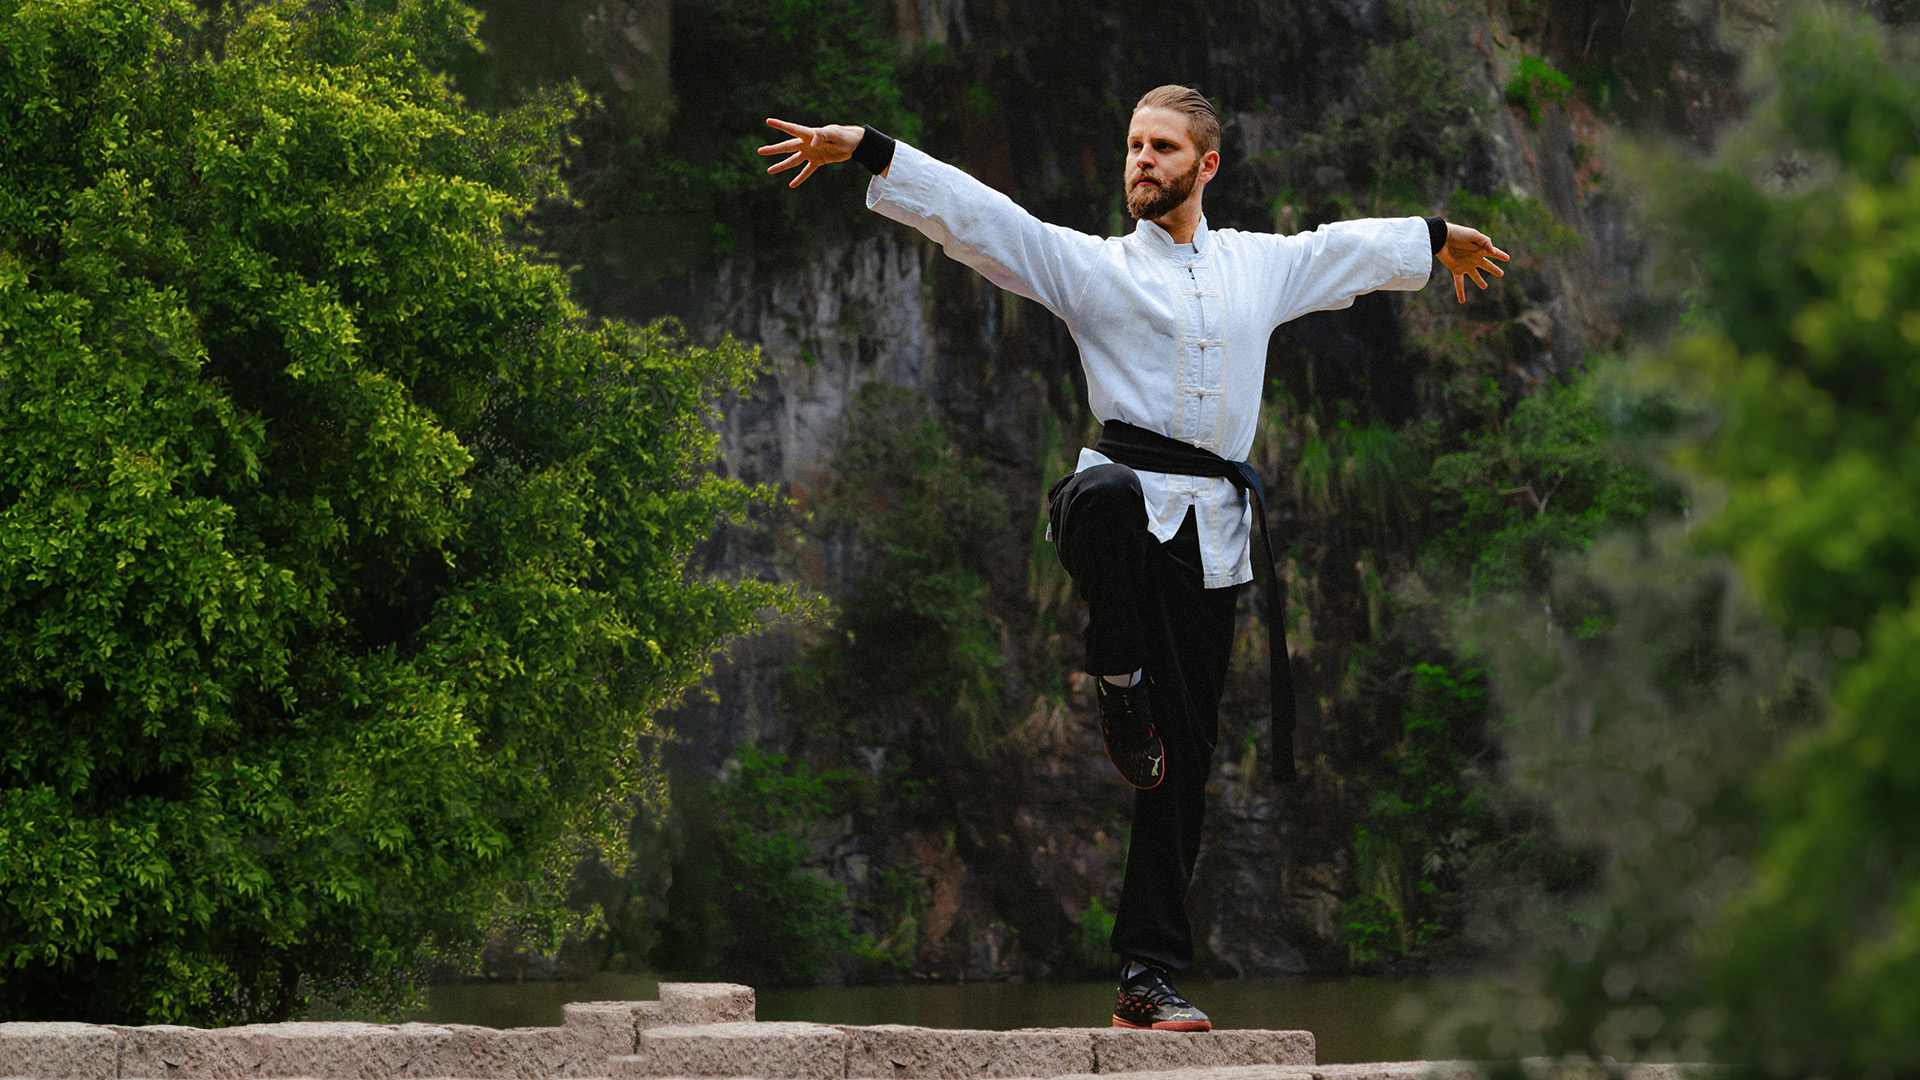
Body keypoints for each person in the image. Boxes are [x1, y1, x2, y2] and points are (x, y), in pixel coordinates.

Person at [758, 86, 1509, 1031]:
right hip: (1112, 516)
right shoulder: (1094, 269)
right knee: (1109, 491)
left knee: (1184, 764)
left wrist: (1439, 238)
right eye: (1131, 146)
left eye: (1160, 148)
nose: (1140, 162)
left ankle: (1146, 978)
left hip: (1213, 539)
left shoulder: (1255, 268)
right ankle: (1118, 679)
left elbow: (1337, 248)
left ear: (1207, 165)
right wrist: (870, 148)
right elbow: (985, 218)